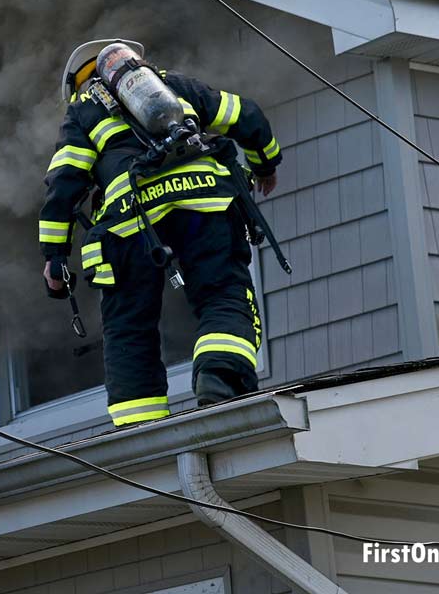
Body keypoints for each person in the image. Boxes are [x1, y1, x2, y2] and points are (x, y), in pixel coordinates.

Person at [39, 38, 282, 427]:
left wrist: (54, 257)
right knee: (223, 292)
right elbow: (246, 116)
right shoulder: (175, 86)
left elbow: (64, 184)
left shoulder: (83, 112)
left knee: (129, 325)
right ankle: (221, 381)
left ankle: (140, 428)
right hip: (205, 206)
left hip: (129, 224)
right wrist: (265, 164)